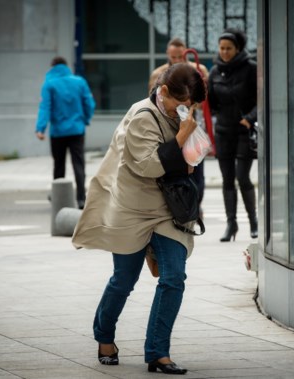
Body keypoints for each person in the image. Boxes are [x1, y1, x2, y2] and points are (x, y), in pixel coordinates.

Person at [72, 63, 206, 375]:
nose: (184, 110)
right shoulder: (142, 115)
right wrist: (182, 139)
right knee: (124, 280)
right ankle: (104, 336)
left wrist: (188, 141)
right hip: (132, 207)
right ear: (163, 92)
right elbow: (147, 166)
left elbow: (193, 160)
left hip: (167, 209)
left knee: (174, 277)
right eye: (180, 103)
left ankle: (158, 352)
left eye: (190, 105)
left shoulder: (183, 114)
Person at [149, 38, 210, 214]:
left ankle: (195, 205)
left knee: (197, 168)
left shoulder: (198, 70)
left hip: (193, 125)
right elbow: (153, 101)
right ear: (168, 55)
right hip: (170, 127)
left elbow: (204, 100)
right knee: (176, 169)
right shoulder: (158, 74)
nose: (176, 60)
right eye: (173, 57)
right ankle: (180, 206)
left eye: (179, 57)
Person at [208, 28, 258, 241]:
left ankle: (254, 222)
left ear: (238, 49)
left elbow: (262, 99)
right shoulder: (215, 71)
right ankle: (231, 225)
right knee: (227, 179)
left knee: (242, 177)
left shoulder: (251, 69)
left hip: (244, 131)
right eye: (222, 48)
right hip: (223, 132)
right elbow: (210, 102)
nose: (225, 52)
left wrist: (250, 117)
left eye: (229, 48)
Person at [35, 56, 96, 209]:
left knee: (59, 165)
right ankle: (81, 198)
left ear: (52, 67)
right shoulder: (79, 82)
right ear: (66, 66)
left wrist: (40, 128)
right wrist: (85, 120)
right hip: (77, 130)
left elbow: (45, 108)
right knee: (79, 164)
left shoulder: (49, 84)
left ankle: (58, 197)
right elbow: (89, 103)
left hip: (58, 132)